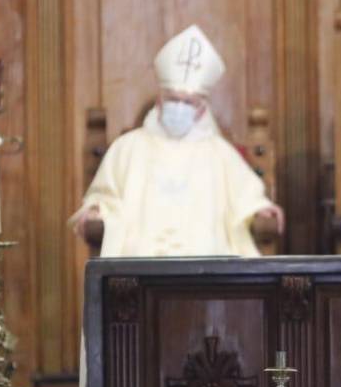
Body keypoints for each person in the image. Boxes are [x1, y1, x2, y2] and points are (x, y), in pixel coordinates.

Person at [69, 24, 284, 257]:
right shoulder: (127, 148)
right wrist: (96, 210)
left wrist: (260, 210)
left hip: (208, 274)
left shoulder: (220, 152)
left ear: (202, 109)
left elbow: (247, 199)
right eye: (172, 99)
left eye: (188, 102)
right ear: (160, 101)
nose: (179, 107)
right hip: (138, 274)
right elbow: (104, 196)